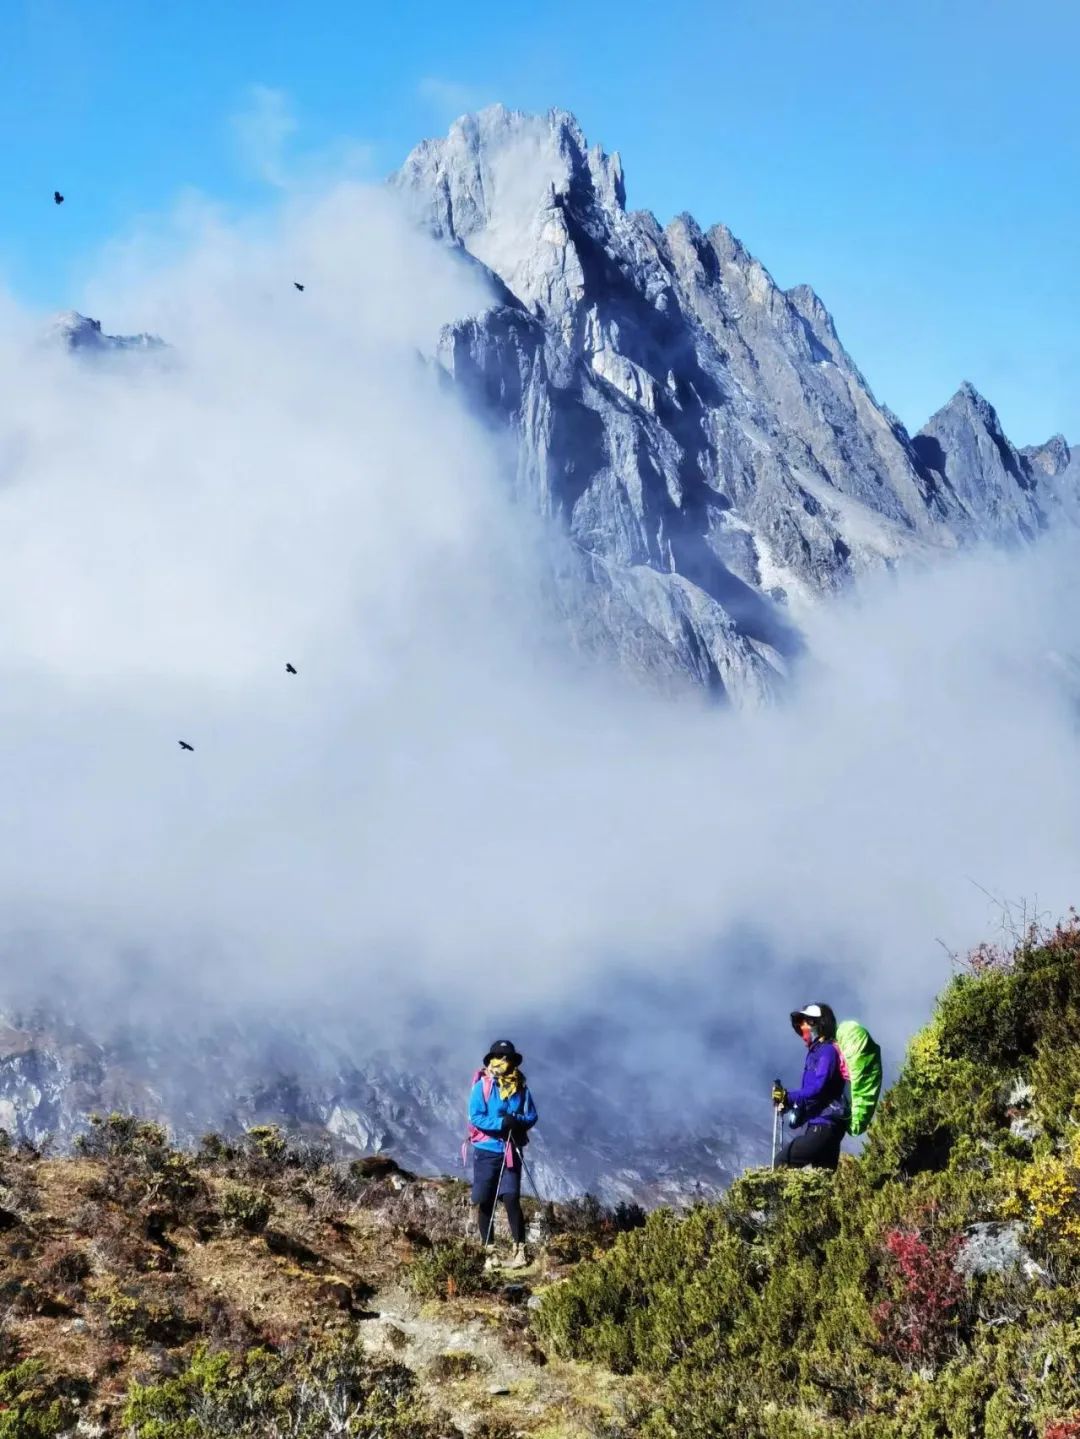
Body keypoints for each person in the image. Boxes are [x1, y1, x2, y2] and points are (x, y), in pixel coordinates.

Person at [467, 1039, 538, 1269]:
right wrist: (500, 1123)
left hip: (510, 1150)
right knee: (485, 1201)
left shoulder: (520, 1087)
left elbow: (532, 1115)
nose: (503, 1062)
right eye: (499, 1057)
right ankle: (490, 1253)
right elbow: (475, 1117)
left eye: (507, 1058)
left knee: (511, 1199)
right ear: (492, 1060)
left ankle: (520, 1252)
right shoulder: (483, 1087)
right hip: (487, 1151)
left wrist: (516, 1121)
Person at [772, 1003, 849, 1170]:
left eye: (805, 1022)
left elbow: (818, 1088)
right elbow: (816, 1095)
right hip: (829, 1126)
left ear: (818, 1024)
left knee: (782, 1162)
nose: (802, 1029)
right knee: (823, 1176)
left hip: (823, 1124)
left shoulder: (827, 1051)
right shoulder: (819, 1052)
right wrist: (789, 1104)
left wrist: (788, 1097)